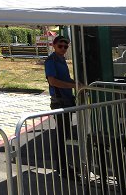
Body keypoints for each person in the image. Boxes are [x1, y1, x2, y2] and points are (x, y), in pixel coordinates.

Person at [45, 35, 83, 179]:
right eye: (60, 46)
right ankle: (62, 167)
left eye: (65, 46)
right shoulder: (51, 61)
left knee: (64, 133)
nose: (63, 48)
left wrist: (78, 84)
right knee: (61, 135)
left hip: (67, 100)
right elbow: (53, 81)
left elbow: (66, 79)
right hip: (59, 102)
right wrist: (74, 85)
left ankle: (64, 165)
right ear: (53, 46)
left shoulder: (62, 60)